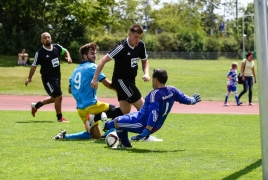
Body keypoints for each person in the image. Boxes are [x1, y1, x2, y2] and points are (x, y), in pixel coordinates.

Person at [102, 69, 201, 148]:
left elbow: (154, 114)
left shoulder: (154, 95)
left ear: (155, 80)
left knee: (117, 122)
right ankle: (107, 125)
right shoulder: (172, 90)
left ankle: (124, 144)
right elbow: (185, 99)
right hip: (153, 123)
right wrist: (193, 100)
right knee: (126, 117)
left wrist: (146, 132)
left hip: (142, 123)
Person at [52, 43, 123, 140]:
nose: (94, 55)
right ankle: (107, 128)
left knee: (95, 136)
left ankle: (65, 136)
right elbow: (108, 84)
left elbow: (70, 90)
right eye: (92, 53)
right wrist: (121, 91)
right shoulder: (92, 67)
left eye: (95, 53)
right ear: (85, 56)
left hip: (81, 109)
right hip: (92, 106)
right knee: (121, 111)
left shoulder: (75, 69)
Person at [90, 24, 150, 115]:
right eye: (135, 37)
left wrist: (146, 73)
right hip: (121, 81)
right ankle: (145, 129)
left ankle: (94, 117)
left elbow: (145, 61)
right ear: (129, 34)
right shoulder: (121, 47)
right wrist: (95, 79)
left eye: (139, 37)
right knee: (143, 107)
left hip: (130, 81)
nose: (137, 40)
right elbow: (102, 60)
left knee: (124, 112)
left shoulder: (141, 45)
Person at [25, 32, 72, 122]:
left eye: (48, 37)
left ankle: (36, 105)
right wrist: (29, 78)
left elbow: (65, 51)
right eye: (44, 38)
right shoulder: (39, 53)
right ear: (41, 40)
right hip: (48, 78)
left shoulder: (56, 47)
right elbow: (34, 66)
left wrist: (68, 57)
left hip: (57, 76)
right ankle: (60, 118)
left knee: (55, 98)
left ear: (51, 38)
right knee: (58, 96)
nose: (47, 39)